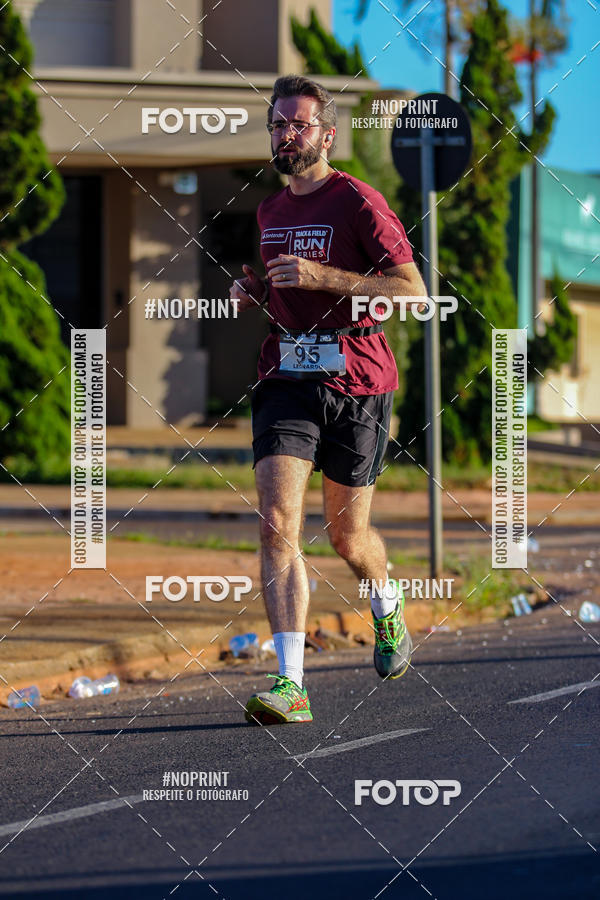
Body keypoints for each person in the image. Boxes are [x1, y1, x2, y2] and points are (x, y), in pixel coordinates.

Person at [229, 75, 427, 726]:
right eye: (278, 124)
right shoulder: (268, 212)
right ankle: (290, 683)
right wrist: (255, 290)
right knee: (276, 522)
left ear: (327, 134)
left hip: (358, 376)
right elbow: (281, 288)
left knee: (348, 537)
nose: (286, 134)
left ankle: (386, 602)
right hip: (286, 372)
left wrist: (324, 277)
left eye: (299, 124)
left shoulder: (358, 202)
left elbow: (412, 293)